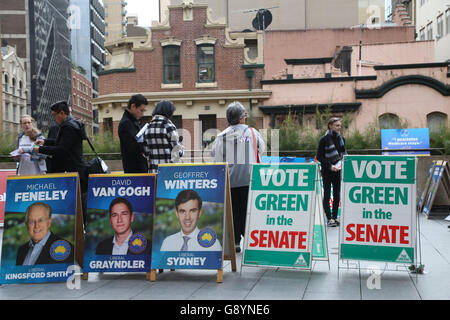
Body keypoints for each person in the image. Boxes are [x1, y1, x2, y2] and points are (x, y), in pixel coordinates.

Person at [211, 101, 265, 252]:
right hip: (250, 178)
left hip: (230, 180)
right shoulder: (252, 133)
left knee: (234, 210)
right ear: (242, 118)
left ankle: (235, 241)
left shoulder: (221, 137)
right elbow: (261, 150)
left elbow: (216, 159)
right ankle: (249, 239)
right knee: (249, 210)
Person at [33, 101, 86, 192]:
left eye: (54, 115)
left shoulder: (69, 127)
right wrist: (45, 142)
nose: (54, 118)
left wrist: (40, 149)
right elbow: (62, 143)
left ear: (62, 113)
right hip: (74, 168)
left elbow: (61, 149)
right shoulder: (73, 123)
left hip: (71, 169)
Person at [316, 117, 347, 227]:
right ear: (330, 126)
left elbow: (343, 155)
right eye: (337, 125)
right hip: (327, 170)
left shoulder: (341, 139)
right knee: (327, 194)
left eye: (340, 125)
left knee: (337, 194)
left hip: (338, 170)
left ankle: (335, 217)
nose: (339, 127)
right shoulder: (323, 140)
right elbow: (319, 156)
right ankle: (329, 218)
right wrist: (330, 166)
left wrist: (341, 164)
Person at [143, 100, 183, 173]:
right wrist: (182, 150)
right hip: (169, 172)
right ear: (168, 112)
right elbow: (177, 152)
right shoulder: (169, 126)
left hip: (153, 171)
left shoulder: (147, 128)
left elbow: (146, 153)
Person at [118, 94, 149, 173]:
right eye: (141, 110)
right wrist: (146, 143)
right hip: (134, 169)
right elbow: (132, 147)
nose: (142, 114)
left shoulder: (133, 121)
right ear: (133, 106)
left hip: (138, 166)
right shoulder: (126, 123)